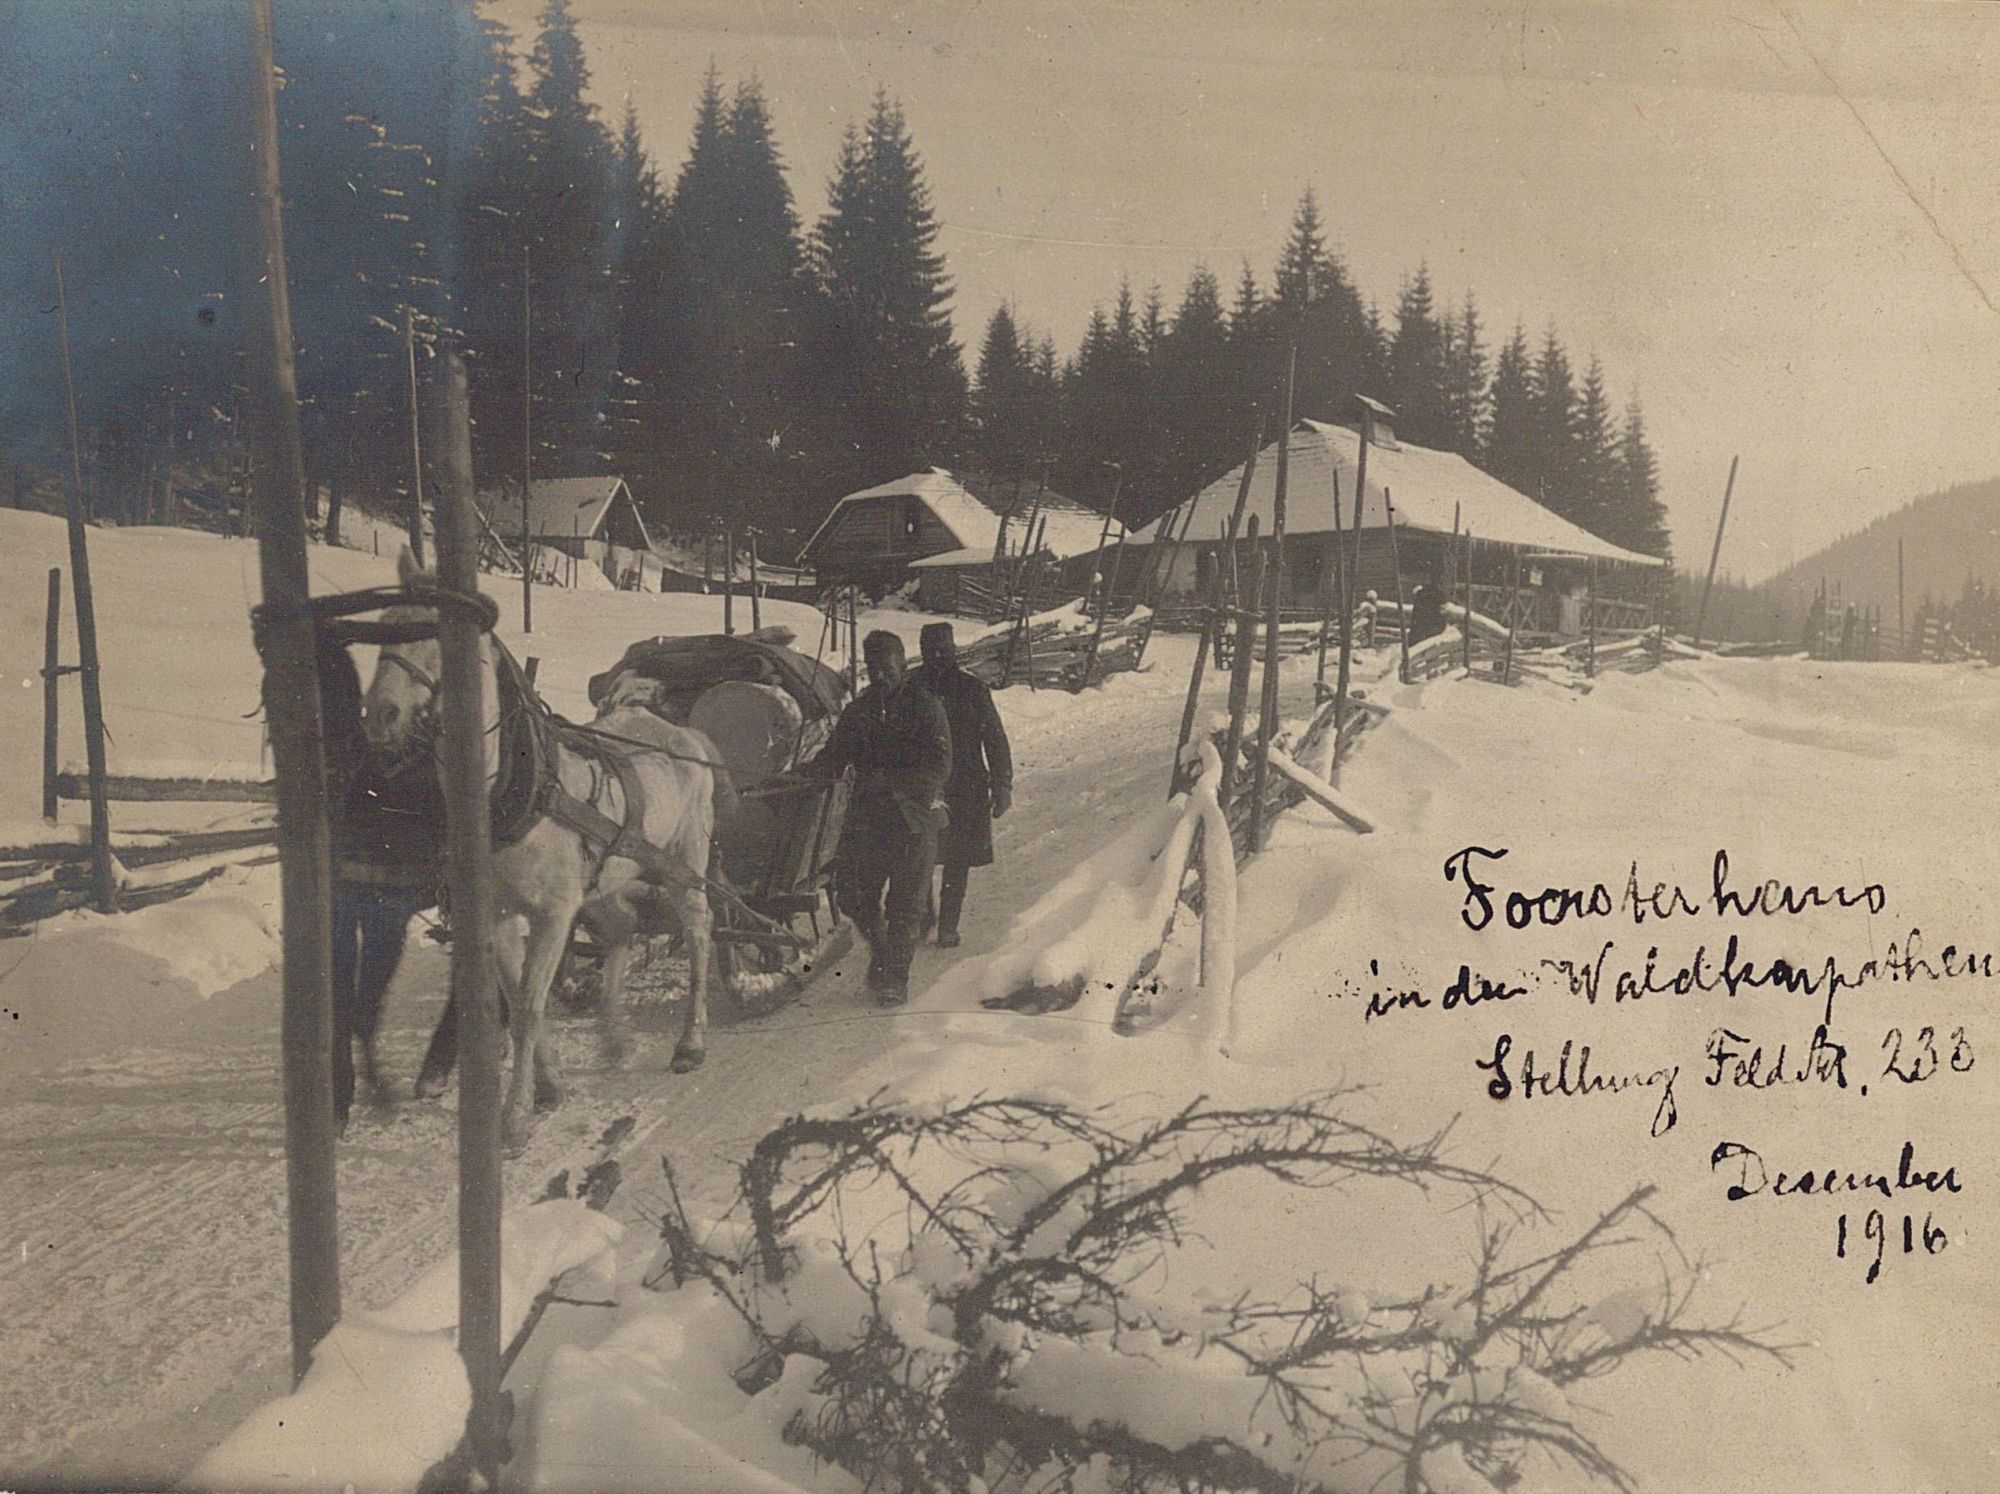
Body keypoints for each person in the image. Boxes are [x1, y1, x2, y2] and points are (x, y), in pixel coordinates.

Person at [317, 637, 445, 1131]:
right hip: (351, 883)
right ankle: (344, 1081)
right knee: (340, 984)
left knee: (369, 984)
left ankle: (362, 1058)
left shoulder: (427, 747)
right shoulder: (351, 741)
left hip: (390, 888)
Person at [806, 630, 952, 1004]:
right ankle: (885, 953)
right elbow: (835, 755)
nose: (880, 675)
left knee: (905, 906)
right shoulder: (860, 710)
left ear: (902, 664)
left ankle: (895, 980)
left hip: (913, 821)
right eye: (872, 668)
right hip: (869, 823)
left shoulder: (926, 706)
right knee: (853, 896)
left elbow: (939, 765)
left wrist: (891, 781)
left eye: (886, 666)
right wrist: (803, 776)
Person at [916, 622, 1013, 948]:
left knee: (957, 860)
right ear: (922, 651)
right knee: (920, 857)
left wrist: (1002, 784)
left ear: (955, 648)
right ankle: (924, 916)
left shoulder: (972, 689)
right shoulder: (912, 688)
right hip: (924, 787)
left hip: (966, 786)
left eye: (944, 647)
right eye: (931, 649)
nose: (938, 655)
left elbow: (995, 738)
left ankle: (948, 925)